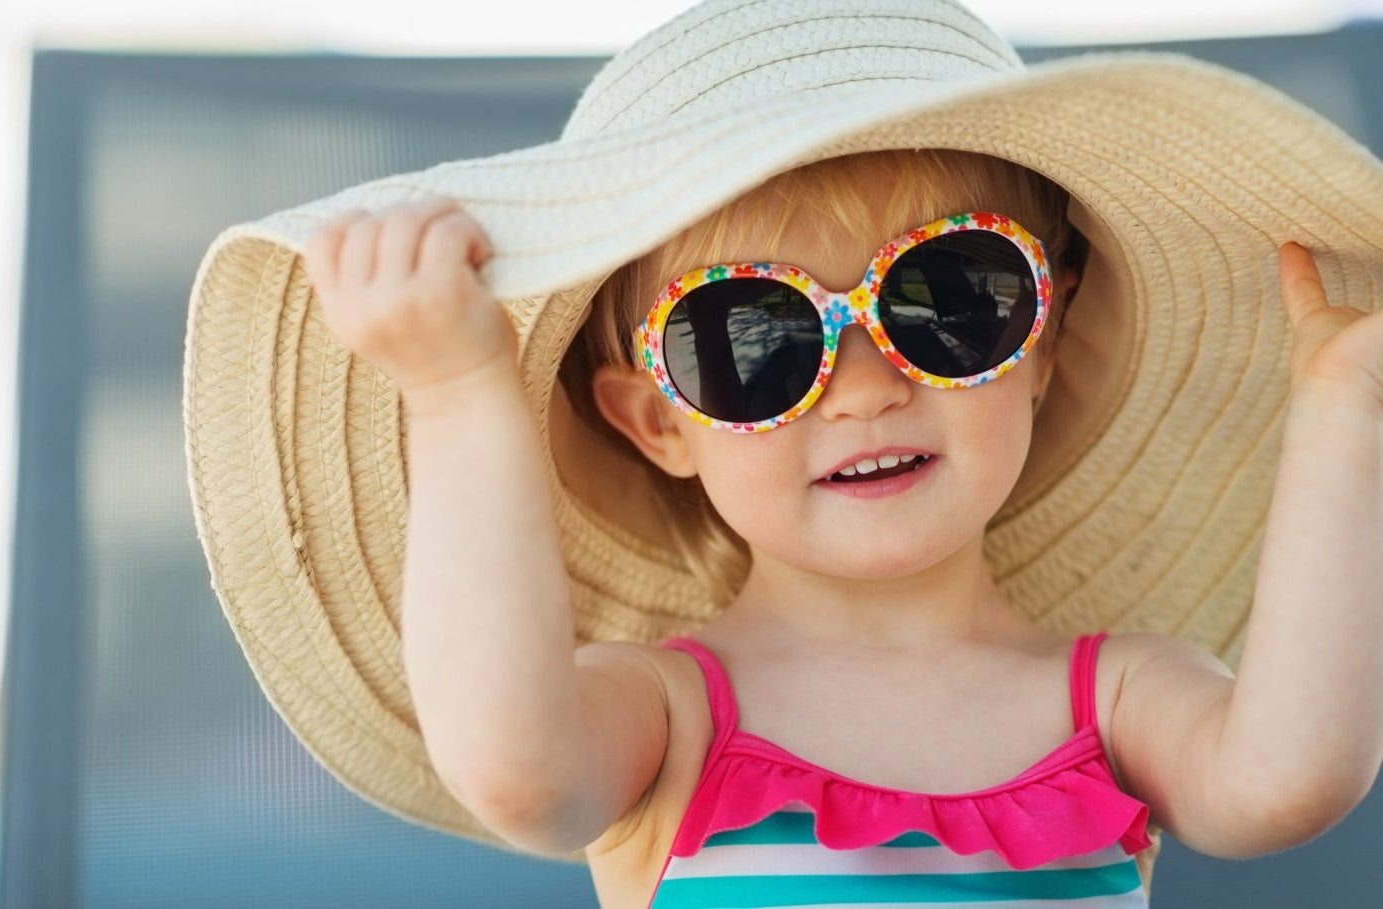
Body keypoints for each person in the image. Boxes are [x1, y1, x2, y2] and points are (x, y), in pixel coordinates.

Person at [182, 0, 1383, 906]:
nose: (865, 389)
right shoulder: (670, 718)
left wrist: (1344, 408)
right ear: (656, 422)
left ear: (1042, 340)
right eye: (746, 339)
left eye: (944, 300)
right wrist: (455, 391)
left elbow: (1286, 784)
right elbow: (517, 775)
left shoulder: (1119, 698)